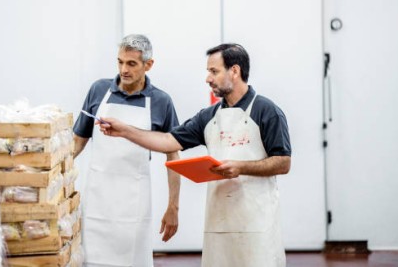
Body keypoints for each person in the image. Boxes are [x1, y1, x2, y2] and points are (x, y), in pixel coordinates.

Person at [99, 43, 291, 267]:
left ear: (235, 71)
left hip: (258, 224)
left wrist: (241, 167)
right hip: (219, 222)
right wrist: (124, 130)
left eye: (214, 71)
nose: (208, 78)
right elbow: (168, 141)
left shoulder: (267, 111)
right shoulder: (209, 116)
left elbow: (283, 162)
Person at [73, 34, 181, 267]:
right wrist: (51, 175)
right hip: (97, 202)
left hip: (134, 204)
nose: (123, 69)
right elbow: (78, 142)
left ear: (148, 65)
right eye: (120, 62)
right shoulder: (98, 90)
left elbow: (173, 156)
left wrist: (173, 206)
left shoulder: (161, 101)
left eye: (131, 63)